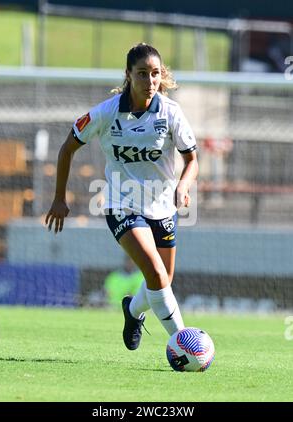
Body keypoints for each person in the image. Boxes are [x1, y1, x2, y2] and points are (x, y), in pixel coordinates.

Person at [45, 43, 198, 351]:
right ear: (128, 75)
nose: (150, 81)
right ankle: (183, 342)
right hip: (121, 204)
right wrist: (59, 197)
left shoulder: (171, 113)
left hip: (162, 207)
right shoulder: (106, 113)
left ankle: (132, 311)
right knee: (155, 273)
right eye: (142, 74)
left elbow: (192, 160)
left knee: (162, 280)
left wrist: (183, 186)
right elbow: (67, 148)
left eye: (155, 74)